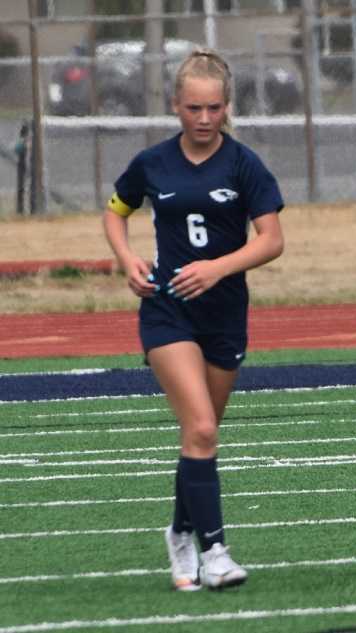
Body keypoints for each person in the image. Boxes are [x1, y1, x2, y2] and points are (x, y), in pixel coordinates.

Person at [103, 48, 284, 590]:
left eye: (213, 109)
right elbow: (116, 213)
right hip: (167, 312)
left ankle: (180, 532)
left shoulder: (244, 164)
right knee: (202, 428)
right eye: (192, 109)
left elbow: (272, 241)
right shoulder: (152, 162)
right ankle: (216, 553)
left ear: (227, 107)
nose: (203, 119)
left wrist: (217, 269)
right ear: (174, 106)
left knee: (199, 435)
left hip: (225, 315)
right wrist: (127, 258)